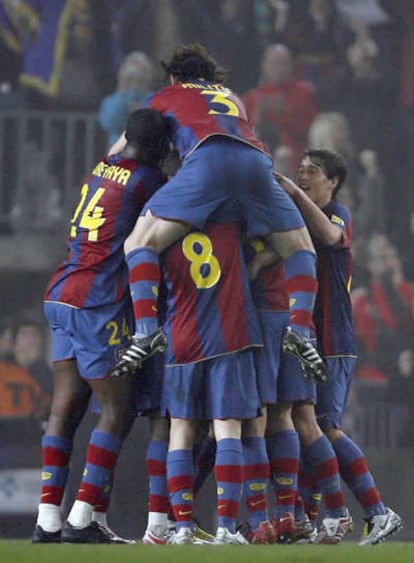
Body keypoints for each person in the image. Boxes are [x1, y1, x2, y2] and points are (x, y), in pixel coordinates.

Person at [110, 42, 326, 385]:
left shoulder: (169, 93)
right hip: (256, 163)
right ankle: (301, 332)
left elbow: (128, 140)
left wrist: (107, 165)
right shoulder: (233, 96)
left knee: (139, 243)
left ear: (174, 75)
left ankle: (146, 332)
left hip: (208, 161)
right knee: (301, 249)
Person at [31, 108, 172, 544]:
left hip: (61, 290)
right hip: (97, 298)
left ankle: (47, 517)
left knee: (66, 406)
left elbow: (125, 146)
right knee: (118, 408)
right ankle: (82, 516)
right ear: (159, 149)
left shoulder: (101, 167)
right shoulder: (148, 179)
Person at [277, 147, 403, 545]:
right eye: (300, 170)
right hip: (303, 337)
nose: (303, 175)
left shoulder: (338, 215)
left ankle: (378, 512)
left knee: (323, 426)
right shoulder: (296, 216)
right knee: (300, 423)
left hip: (333, 339)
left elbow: (332, 238)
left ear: (333, 182)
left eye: (312, 171)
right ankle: (315, 518)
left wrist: (294, 195)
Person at [158, 211, 267, 545]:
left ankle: (183, 528)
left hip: (181, 338)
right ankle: (225, 528)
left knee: (181, 429)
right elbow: (276, 241)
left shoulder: (160, 228)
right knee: (227, 428)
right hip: (228, 337)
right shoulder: (231, 222)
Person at [242, 43, 318, 160]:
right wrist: (259, 112)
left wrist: (285, 112)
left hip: (295, 151)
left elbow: (309, 129)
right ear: (264, 66)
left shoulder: (304, 92)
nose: (278, 69)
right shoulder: (252, 97)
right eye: (273, 64)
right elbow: (245, 132)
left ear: (291, 66)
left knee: (282, 154)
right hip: (261, 150)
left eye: (282, 64)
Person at [98, 51, 156, 148]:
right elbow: (108, 122)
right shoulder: (113, 100)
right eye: (130, 78)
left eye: (140, 77)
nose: (135, 82)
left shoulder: (153, 99)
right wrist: (122, 90)